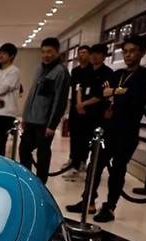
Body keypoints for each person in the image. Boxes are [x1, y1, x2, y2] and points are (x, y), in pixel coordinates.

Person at [67, 35, 146, 222]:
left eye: (132, 51)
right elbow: (100, 93)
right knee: (95, 165)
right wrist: (118, 92)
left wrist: (113, 92)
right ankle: (88, 201)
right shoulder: (118, 74)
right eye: (125, 51)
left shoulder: (143, 75)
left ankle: (110, 207)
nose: (128, 55)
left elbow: (133, 97)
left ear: (142, 52)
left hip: (127, 131)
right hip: (108, 128)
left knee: (118, 170)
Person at [18, 37, 70, 184]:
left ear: (57, 52)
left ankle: (41, 183)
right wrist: (25, 117)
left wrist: (52, 125)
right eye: (44, 52)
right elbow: (32, 95)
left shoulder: (61, 72)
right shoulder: (40, 69)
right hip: (31, 120)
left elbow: (60, 100)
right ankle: (27, 179)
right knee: (24, 149)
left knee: (43, 153)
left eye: (50, 51)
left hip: (45, 123)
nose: (46, 55)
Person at [65, 44, 114, 182]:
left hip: (96, 114)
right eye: (93, 53)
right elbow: (79, 88)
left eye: (98, 54)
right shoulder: (86, 71)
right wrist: (79, 103)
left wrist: (84, 104)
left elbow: (102, 95)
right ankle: (75, 165)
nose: (94, 56)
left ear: (104, 56)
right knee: (77, 139)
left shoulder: (108, 73)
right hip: (81, 112)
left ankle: (89, 169)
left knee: (92, 143)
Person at [62, 45, 92, 180]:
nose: (81, 55)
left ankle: (82, 161)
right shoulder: (75, 71)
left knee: (84, 137)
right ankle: (73, 159)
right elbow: (74, 88)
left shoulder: (92, 70)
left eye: (84, 53)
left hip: (87, 110)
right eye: (79, 53)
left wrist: (82, 104)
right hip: (75, 108)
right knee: (74, 135)